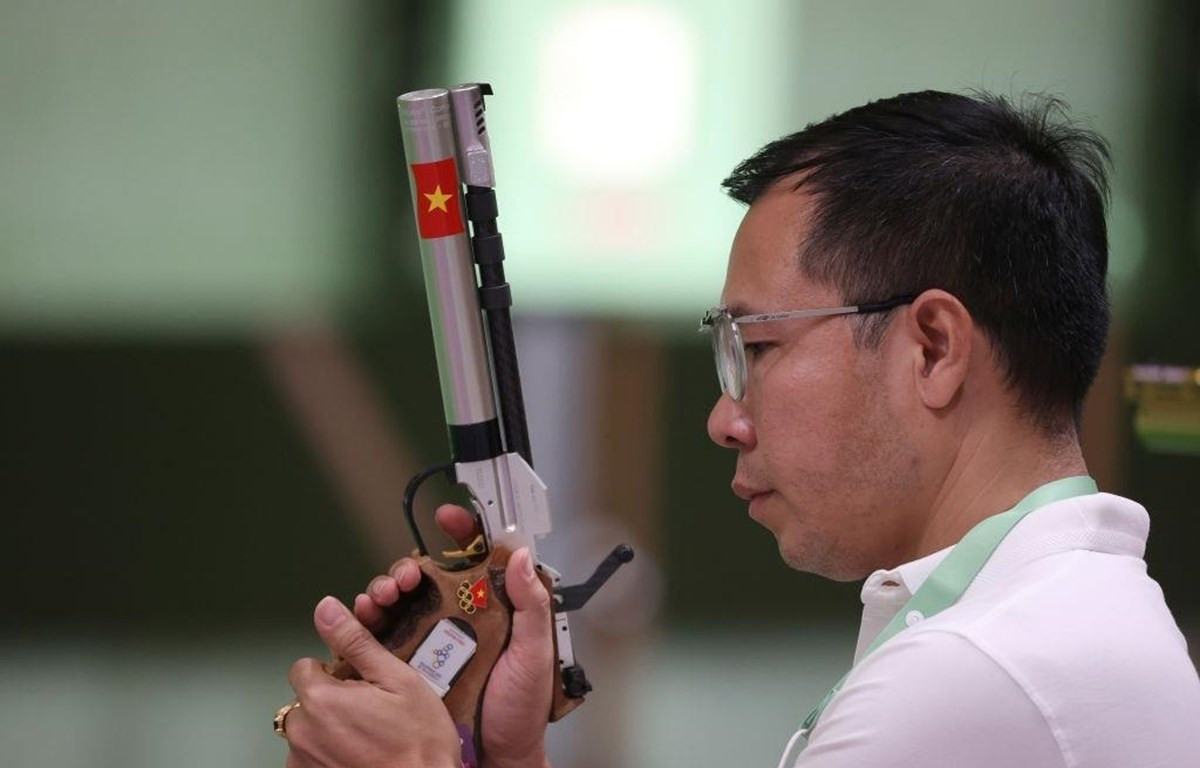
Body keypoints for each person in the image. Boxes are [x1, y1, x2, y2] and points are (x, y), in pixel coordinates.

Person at [278, 90, 1200, 767]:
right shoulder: (1052, 629)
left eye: (753, 347)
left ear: (932, 348)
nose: (725, 418)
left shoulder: (969, 674)